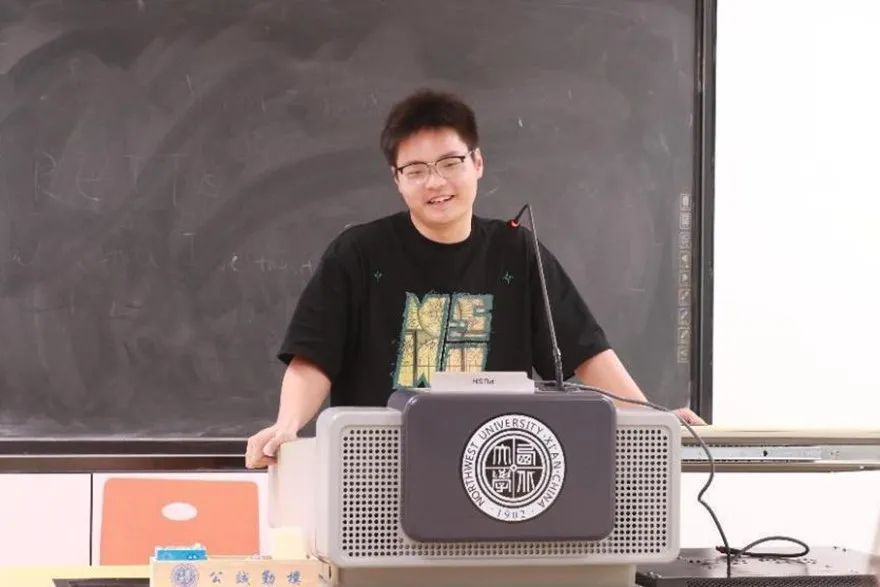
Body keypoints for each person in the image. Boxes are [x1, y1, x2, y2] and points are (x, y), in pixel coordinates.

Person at [246, 89, 704, 469]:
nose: (435, 183)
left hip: (493, 472)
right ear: (397, 180)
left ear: (477, 163)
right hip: (379, 472)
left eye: (450, 163)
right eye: (416, 170)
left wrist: (653, 421)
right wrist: (287, 425)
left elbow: (585, 352)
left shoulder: (516, 251)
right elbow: (314, 357)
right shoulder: (359, 253)